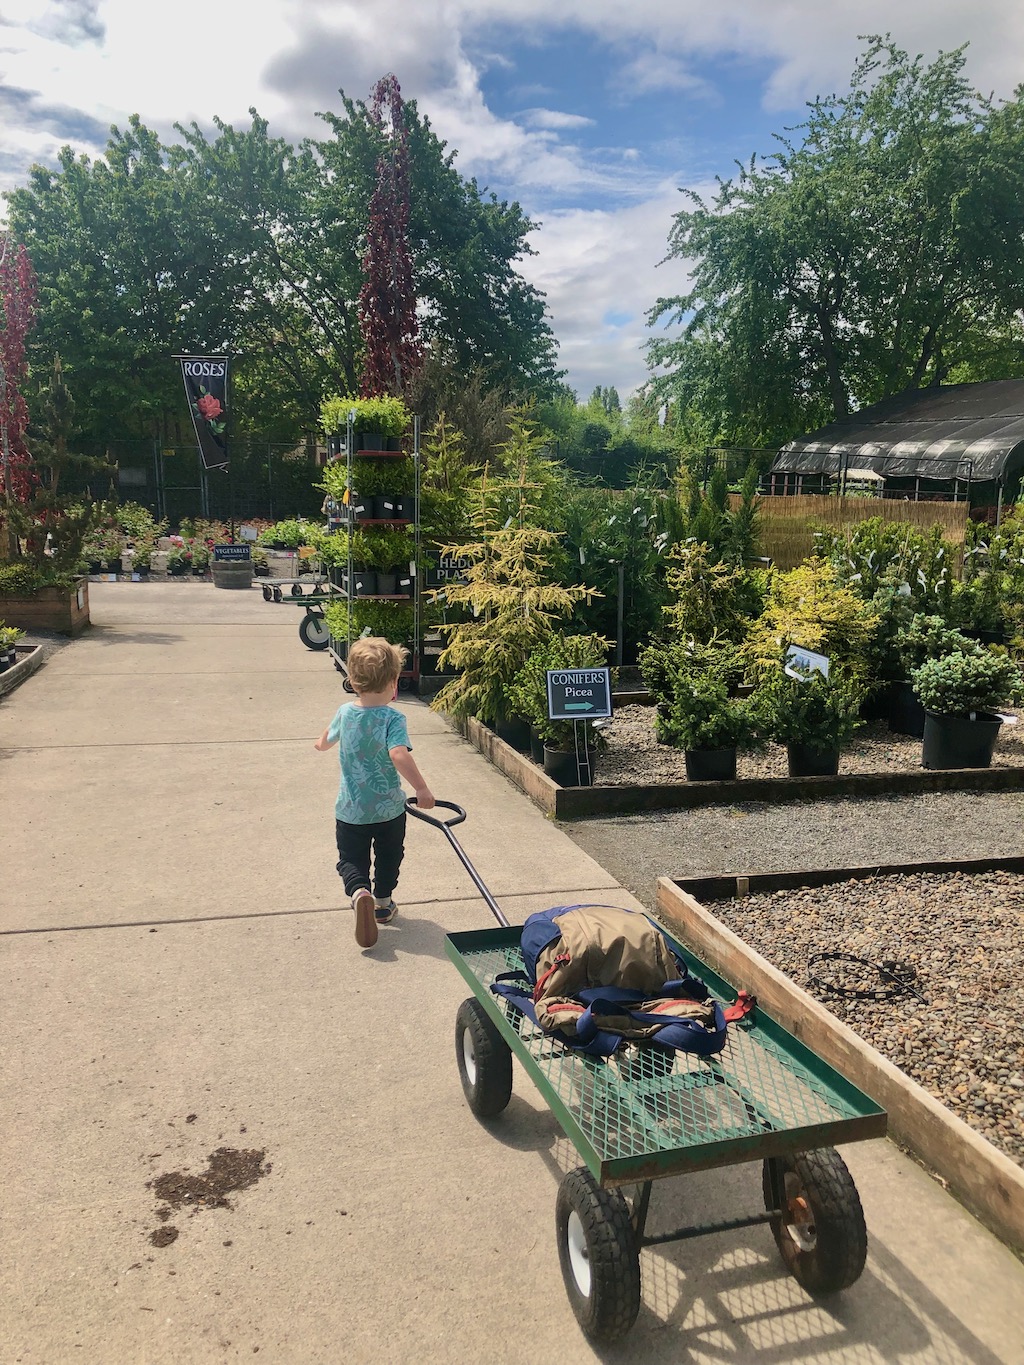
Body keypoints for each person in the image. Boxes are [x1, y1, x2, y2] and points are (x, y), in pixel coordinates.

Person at [314, 637, 434, 949]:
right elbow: (398, 754)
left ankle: (358, 893)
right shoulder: (393, 718)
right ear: (394, 683)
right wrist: (421, 788)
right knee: (389, 856)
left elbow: (325, 740)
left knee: (351, 859)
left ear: (352, 681)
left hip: (351, 810)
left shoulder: (344, 712)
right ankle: (382, 902)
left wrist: (321, 744)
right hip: (388, 811)